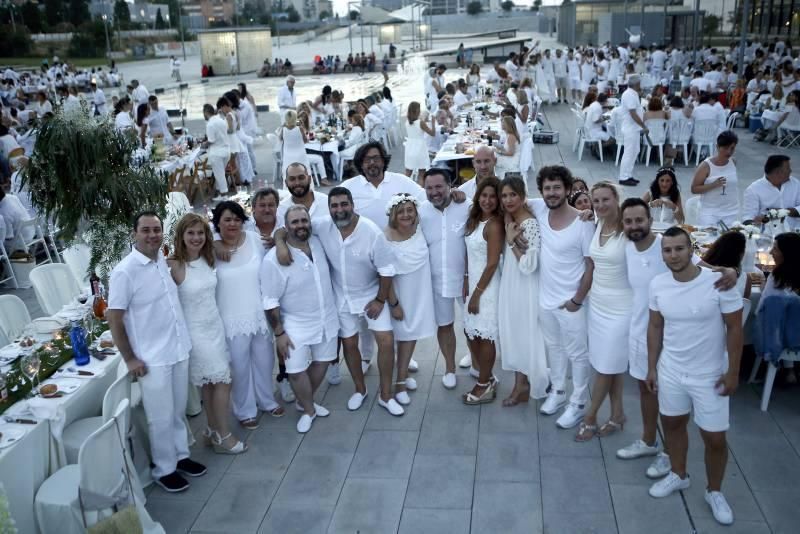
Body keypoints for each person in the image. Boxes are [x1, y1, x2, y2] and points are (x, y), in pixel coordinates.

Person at [646, 227, 743, 526]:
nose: (673, 255)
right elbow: (655, 327)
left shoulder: (719, 282)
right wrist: (652, 367)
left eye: (679, 249)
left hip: (709, 374)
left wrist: (732, 372)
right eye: (667, 250)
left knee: (714, 438)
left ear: (692, 250)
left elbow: (735, 329)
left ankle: (714, 491)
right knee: (673, 424)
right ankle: (679, 473)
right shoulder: (658, 284)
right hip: (672, 369)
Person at [275, 187, 401, 415]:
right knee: (349, 345)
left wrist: (381, 300)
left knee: (386, 341)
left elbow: (387, 270)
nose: (339, 210)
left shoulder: (372, 232)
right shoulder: (322, 225)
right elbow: (289, 228)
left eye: (344, 204)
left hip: (372, 295)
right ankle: (360, 389)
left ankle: (385, 395)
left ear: (353, 205)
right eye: (334, 205)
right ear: (329, 208)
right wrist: (280, 243)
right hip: (341, 297)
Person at [106, 212, 207, 493]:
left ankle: (181, 456)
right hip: (151, 357)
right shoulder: (125, 271)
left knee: (176, 411)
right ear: (134, 234)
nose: (152, 235)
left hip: (177, 347)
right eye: (146, 230)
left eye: (156, 229)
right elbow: (114, 318)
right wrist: (130, 359)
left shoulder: (161, 259)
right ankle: (164, 469)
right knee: (159, 416)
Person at [168, 214, 246, 454]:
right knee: (223, 380)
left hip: (215, 326)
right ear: (181, 236)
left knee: (211, 385)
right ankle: (223, 435)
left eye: (200, 233)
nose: (196, 238)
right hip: (195, 332)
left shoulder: (207, 257)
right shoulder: (172, 264)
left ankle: (212, 430)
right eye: (190, 233)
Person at [528, 166, 594, 429]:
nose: (552, 193)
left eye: (557, 188)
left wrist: (577, 300)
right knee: (554, 348)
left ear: (568, 190)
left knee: (578, 354)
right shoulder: (540, 209)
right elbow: (508, 197)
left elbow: (591, 265)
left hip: (572, 303)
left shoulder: (583, 222)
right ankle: (558, 391)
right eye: (547, 188)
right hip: (546, 298)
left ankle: (578, 403)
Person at [262, 205, 337, 433]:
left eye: (304, 220)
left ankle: (304, 401)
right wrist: (279, 333)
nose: (300, 225)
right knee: (295, 371)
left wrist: (279, 238)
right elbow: (270, 300)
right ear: (286, 227)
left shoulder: (318, 242)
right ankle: (308, 410)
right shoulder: (273, 260)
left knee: (323, 361)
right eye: (294, 222)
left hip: (327, 316)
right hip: (294, 323)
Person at [212, 201, 284, 430]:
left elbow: (280, 232)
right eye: (227, 219)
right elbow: (187, 243)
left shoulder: (254, 239)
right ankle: (244, 410)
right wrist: (214, 243)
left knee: (265, 361)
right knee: (239, 367)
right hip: (231, 317)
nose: (232, 223)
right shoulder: (210, 248)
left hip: (259, 314)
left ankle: (267, 400)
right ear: (217, 223)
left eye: (236, 219)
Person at [575, 182, 632, 441]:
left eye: (605, 200)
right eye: (595, 201)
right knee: (612, 365)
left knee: (605, 367)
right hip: (597, 305)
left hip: (621, 308)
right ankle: (618, 414)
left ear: (616, 198)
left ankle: (590, 416)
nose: (599, 205)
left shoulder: (629, 229)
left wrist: (719, 268)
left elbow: (659, 247)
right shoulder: (595, 223)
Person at [419, 168, 471, 389]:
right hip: (436, 281)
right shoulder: (420, 212)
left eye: (439, 186)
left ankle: (476, 360)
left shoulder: (466, 207)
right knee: (445, 325)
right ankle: (449, 368)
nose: (434, 192)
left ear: (451, 186)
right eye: (429, 188)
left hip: (466, 279)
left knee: (472, 324)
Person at [498, 176, 548, 406]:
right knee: (515, 333)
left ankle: (524, 385)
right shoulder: (512, 218)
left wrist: (510, 242)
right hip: (511, 282)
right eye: (505, 195)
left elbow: (530, 264)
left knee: (525, 333)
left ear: (522, 195)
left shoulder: (529, 224)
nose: (508, 199)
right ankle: (521, 383)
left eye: (513, 195)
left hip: (524, 286)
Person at [382, 193, 435, 406]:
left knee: (410, 336)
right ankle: (400, 383)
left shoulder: (420, 229)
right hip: (397, 296)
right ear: (393, 214)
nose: (406, 215)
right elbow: (383, 273)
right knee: (401, 337)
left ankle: (402, 375)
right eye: (401, 211)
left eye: (410, 210)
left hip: (419, 293)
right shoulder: (385, 236)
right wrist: (393, 303)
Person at [462, 177, 504, 405]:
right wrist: (467, 280)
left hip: (486, 288)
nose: (487, 200)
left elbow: (492, 263)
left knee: (484, 335)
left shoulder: (494, 225)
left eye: (492, 196)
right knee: (471, 333)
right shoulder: (475, 219)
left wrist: (477, 294)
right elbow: (470, 253)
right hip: (473, 284)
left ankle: (483, 384)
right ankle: (487, 378)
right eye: (484, 195)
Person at [690, 130, 740, 226]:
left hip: (731, 212)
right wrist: (713, 185)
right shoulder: (705, 166)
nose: (729, 152)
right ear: (717, 147)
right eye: (725, 148)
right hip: (710, 213)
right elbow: (694, 189)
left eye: (732, 148)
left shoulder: (733, 162)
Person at [743, 154, 800, 231]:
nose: (790, 171)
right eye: (788, 168)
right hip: (768, 237)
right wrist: (766, 218)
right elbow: (748, 220)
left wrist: (784, 212)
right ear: (778, 172)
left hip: (795, 234)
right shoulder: (753, 190)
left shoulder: (795, 184)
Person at [618, 75, 645, 187]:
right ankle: (623, 177)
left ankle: (628, 174)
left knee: (635, 151)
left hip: (634, 128)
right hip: (630, 128)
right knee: (629, 153)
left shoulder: (633, 93)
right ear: (637, 84)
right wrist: (643, 125)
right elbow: (633, 113)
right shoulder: (629, 94)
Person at [202, 103, 230, 197]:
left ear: (206, 112)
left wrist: (203, 144)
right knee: (220, 173)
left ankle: (224, 195)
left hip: (217, 153)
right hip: (226, 151)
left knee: (219, 175)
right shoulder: (221, 120)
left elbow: (211, 140)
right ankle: (220, 194)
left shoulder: (210, 124)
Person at [278, 110, 312, 185]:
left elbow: (280, 139)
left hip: (288, 157)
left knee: (289, 175)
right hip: (300, 156)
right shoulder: (300, 128)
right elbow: (305, 141)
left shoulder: (283, 129)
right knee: (303, 173)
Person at [404, 102, 434, 180]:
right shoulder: (420, 123)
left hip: (410, 147)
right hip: (420, 148)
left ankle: (403, 189)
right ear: (417, 111)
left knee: (408, 172)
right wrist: (433, 122)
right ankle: (420, 191)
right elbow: (432, 133)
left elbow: (416, 125)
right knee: (421, 173)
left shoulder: (407, 122)